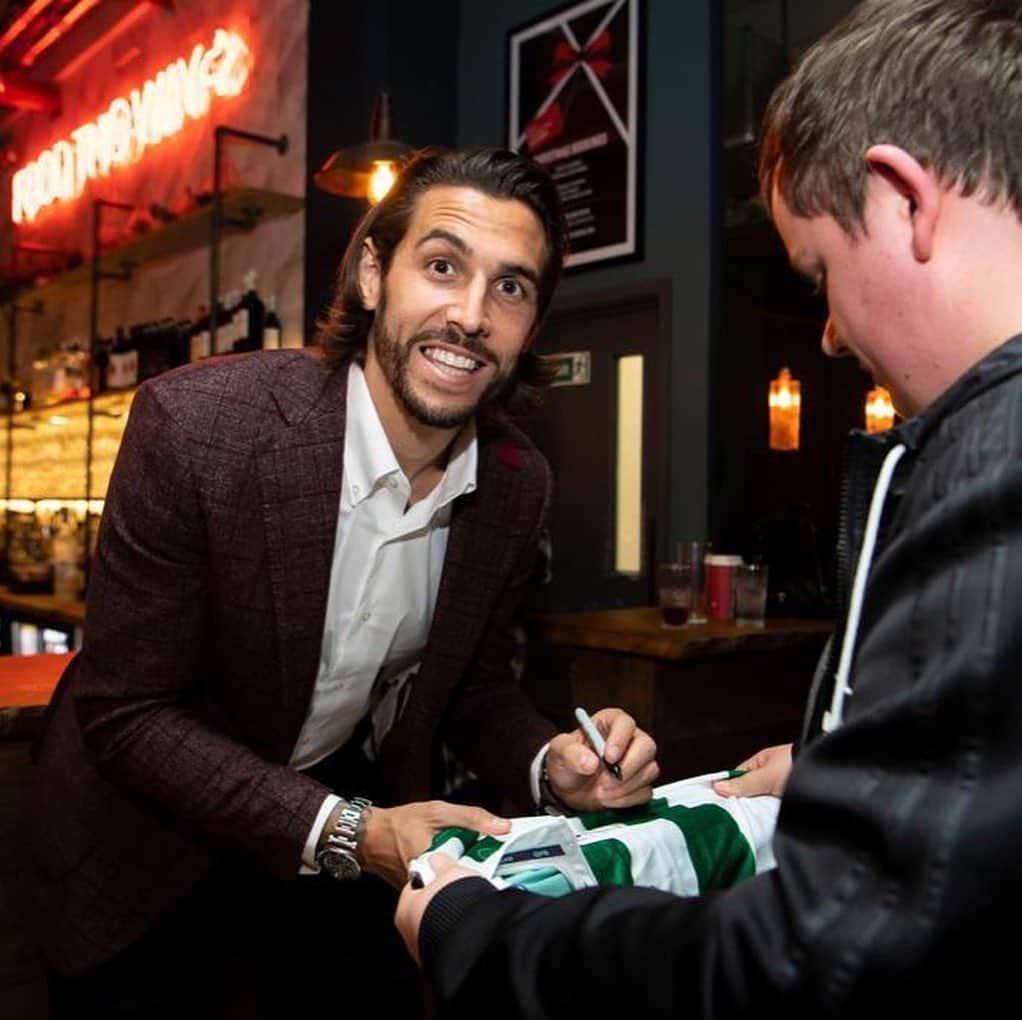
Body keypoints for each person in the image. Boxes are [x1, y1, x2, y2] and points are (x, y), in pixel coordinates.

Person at [395, 2, 1022, 1014]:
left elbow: (816, 958)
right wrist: (831, 771)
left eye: (817, 273)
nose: (823, 332)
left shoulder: (996, 462)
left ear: (904, 199)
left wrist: (481, 934)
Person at [30, 148, 659, 1019]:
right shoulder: (199, 428)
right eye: (442, 267)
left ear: (532, 325)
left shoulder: (517, 482)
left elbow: (471, 688)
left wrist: (553, 762)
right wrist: (354, 833)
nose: (471, 315)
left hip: (333, 831)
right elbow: (127, 715)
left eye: (511, 289)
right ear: (373, 274)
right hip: (142, 840)